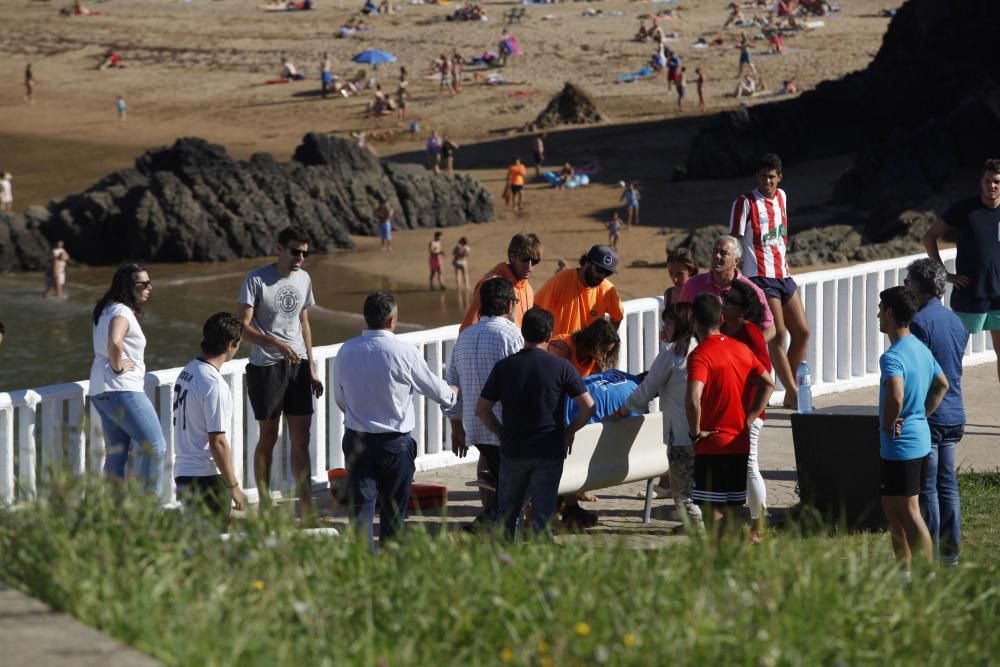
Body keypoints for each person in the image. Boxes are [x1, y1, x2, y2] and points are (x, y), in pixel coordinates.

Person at [334, 292, 458, 551]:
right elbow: (434, 388)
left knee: (361, 513)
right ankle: (391, 568)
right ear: (392, 320)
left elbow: (340, 398)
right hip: (394, 444)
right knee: (394, 514)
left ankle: (363, 571)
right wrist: (452, 394)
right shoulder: (404, 352)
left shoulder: (346, 350)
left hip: (358, 439)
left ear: (366, 319)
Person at [476, 307, 595, 539]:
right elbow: (589, 407)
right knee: (542, 516)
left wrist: (502, 434)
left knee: (508, 514)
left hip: (514, 450)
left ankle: (507, 561)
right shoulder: (562, 368)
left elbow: (482, 410)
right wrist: (567, 432)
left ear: (523, 333)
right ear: (549, 336)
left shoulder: (505, 367)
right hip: (549, 449)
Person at [237, 226, 323, 515]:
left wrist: (311, 366)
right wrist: (275, 342)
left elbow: (304, 322)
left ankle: (307, 506)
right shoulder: (256, 279)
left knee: (302, 438)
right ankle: (263, 504)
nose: (300, 257)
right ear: (280, 248)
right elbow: (243, 328)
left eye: (305, 253)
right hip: (266, 368)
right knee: (269, 437)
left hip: (298, 368)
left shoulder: (304, 278)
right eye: (295, 251)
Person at [876, 286, 949, 580]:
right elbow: (941, 384)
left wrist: (889, 420)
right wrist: (921, 413)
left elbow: (895, 395)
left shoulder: (892, 356)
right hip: (917, 440)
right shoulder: (920, 347)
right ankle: (904, 573)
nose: (878, 315)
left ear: (891, 314)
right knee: (893, 508)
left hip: (900, 445)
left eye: (881, 310)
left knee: (908, 511)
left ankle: (925, 575)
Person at [685, 294, 774, 535]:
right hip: (739, 441)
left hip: (711, 442)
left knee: (712, 511)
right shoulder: (742, 349)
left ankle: (718, 561)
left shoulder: (700, 355)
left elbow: (693, 399)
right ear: (722, 319)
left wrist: (694, 434)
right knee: (733, 509)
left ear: (693, 320)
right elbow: (768, 383)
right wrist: (750, 417)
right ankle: (734, 558)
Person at [729, 153, 810, 408]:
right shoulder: (745, 202)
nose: (767, 181)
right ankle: (795, 392)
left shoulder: (783, 197)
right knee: (779, 333)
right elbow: (733, 239)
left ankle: (789, 391)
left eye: (772, 177)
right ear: (757, 177)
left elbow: (781, 235)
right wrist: (735, 274)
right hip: (760, 277)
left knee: (803, 332)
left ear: (779, 177)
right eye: (763, 176)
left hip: (783, 274)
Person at [614, 303, 701, 527]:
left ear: (680, 324)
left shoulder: (672, 355)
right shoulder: (700, 349)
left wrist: (622, 411)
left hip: (680, 435)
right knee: (699, 488)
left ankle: (700, 534)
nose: (663, 329)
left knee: (682, 494)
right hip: (704, 433)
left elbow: (646, 390)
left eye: (668, 324)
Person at [445, 278, 523, 528]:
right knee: (515, 486)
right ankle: (483, 528)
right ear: (509, 304)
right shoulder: (511, 335)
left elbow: (452, 388)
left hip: (475, 428)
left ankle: (492, 526)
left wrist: (456, 427)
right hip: (505, 428)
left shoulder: (465, 337)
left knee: (503, 482)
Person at [906, 259, 969, 565]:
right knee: (948, 484)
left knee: (928, 485)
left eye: (907, 283)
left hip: (931, 412)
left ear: (917, 288)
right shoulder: (955, 321)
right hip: (956, 410)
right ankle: (951, 554)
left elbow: (920, 374)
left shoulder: (918, 323)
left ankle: (930, 550)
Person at [923, 158, 1000, 385]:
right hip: (969, 292)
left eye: (996, 181)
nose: (991, 186)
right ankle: (943, 406)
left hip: (999, 296)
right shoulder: (964, 208)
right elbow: (929, 237)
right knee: (951, 354)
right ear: (981, 182)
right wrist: (944, 274)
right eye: (988, 181)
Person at [89, 263, 165, 491]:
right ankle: (148, 512)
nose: (149, 288)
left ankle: (115, 514)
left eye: (149, 282)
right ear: (128, 286)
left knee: (116, 455)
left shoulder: (105, 309)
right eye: (143, 284)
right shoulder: (121, 311)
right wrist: (118, 366)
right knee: (155, 447)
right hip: (122, 389)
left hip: (100, 390)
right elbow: (114, 340)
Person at [172, 313, 247, 528]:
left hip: (183, 474)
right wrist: (233, 486)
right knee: (214, 543)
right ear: (230, 344)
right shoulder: (214, 385)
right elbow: (218, 442)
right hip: (206, 478)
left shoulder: (188, 371)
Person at [720, 280, 771, 543]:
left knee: (750, 465)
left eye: (730, 301)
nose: (724, 303)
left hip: (749, 411)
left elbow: (765, 373)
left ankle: (758, 524)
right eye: (725, 298)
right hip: (728, 411)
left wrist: (751, 415)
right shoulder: (721, 330)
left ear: (744, 310)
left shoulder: (751, 334)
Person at [678, 235, 775, 341]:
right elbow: (680, 319)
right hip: (703, 351)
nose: (717, 256)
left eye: (724, 253)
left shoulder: (751, 290)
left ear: (736, 261)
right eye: (715, 251)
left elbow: (770, 328)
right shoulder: (693, 285)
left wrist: (748, 350)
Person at [534, 244, 624, 338]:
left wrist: (605, 341)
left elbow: (617, 315)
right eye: (599, 269)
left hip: (589, 352)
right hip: (559, 350)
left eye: (608, 273)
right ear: (587, 262)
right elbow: (536, 309)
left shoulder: (607, 289)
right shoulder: (560, 280)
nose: (602, 276)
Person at [460, 233, 541, 331]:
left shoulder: (528, 289)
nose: (529, 266)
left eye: (535, 260)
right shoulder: (491, 286)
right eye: (525, 259)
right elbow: (467, 328)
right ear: (511, 256)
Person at [548, 318, 620, 379]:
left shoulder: (594, 361)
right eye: (603, 351)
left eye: (607, 352)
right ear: (594, 342)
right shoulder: (561, 348)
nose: (604, 356)